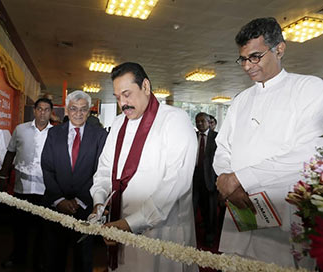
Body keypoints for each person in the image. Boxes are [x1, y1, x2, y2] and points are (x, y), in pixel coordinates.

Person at [213, 17, 323, 268]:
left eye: (255, 56)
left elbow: (308, 156)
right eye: (243, 59)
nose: (247, 66)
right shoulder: (241, 100)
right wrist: (228, 182)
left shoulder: (309, 88)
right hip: (239, 217)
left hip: (283, 221)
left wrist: (241, 178)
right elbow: (223, 149)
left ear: (279, 49)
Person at [90, 62, 198, 271]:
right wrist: (99, 202)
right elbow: (104, 169)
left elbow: (176, 183)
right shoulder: (119, 123)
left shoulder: (175, 119)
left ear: (146, 87)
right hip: (119, 227)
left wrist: (132, 223)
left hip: (161, 232)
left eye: (127, 94)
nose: (123, 102)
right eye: (118, 97)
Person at [41, 90, 107, 272]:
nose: (78, 113)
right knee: (54, 257)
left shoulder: (100, 135)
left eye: (83, 109)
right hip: (56, 207)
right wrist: (59, 200)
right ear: (67, 111)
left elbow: (100, 171)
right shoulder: (54, 133)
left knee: (83, 258)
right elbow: (47, 167)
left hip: (85, 207)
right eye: (74, 109)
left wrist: (80, 200)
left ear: (89, 111)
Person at [0, 98, 53, 270]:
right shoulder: (20, 129)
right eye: (40, 109)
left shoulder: (56, 133)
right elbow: (10, 153)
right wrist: (3, 175)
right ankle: (17, 257)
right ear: (35, 111)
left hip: (45, 190)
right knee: (20, 227)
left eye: (46, 109)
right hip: (22, 188)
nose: (43, 112)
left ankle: (41, 261)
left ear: (51, 113)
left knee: (43, 229)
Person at [192, 112, 218, 247]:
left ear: (209, 122)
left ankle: (209, 234)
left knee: (210, 209)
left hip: (210, 179)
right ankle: (192, 235)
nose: (200, 124)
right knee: (193, 206)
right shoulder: (192, 137)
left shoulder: (217, 137)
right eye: (197, 121)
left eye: (202, 121)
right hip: (194, 177)